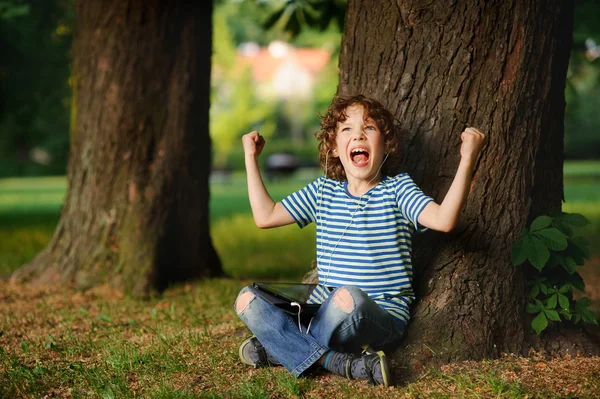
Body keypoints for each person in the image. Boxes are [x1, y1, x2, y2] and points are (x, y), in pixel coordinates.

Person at [234, 94, 486, 386]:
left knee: (348, 297)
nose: (358, 135)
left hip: (379, 315)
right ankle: (339, 363)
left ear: (386, 144)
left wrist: (468, 157)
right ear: (333, 147)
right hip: (321, 314)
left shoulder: (398, 190)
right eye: (347, 129)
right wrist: (250, 158)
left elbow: (444, 220)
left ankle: (278, 347)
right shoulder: (323, 192)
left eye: (369, 128)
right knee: (247, 300)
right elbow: (265, 216)